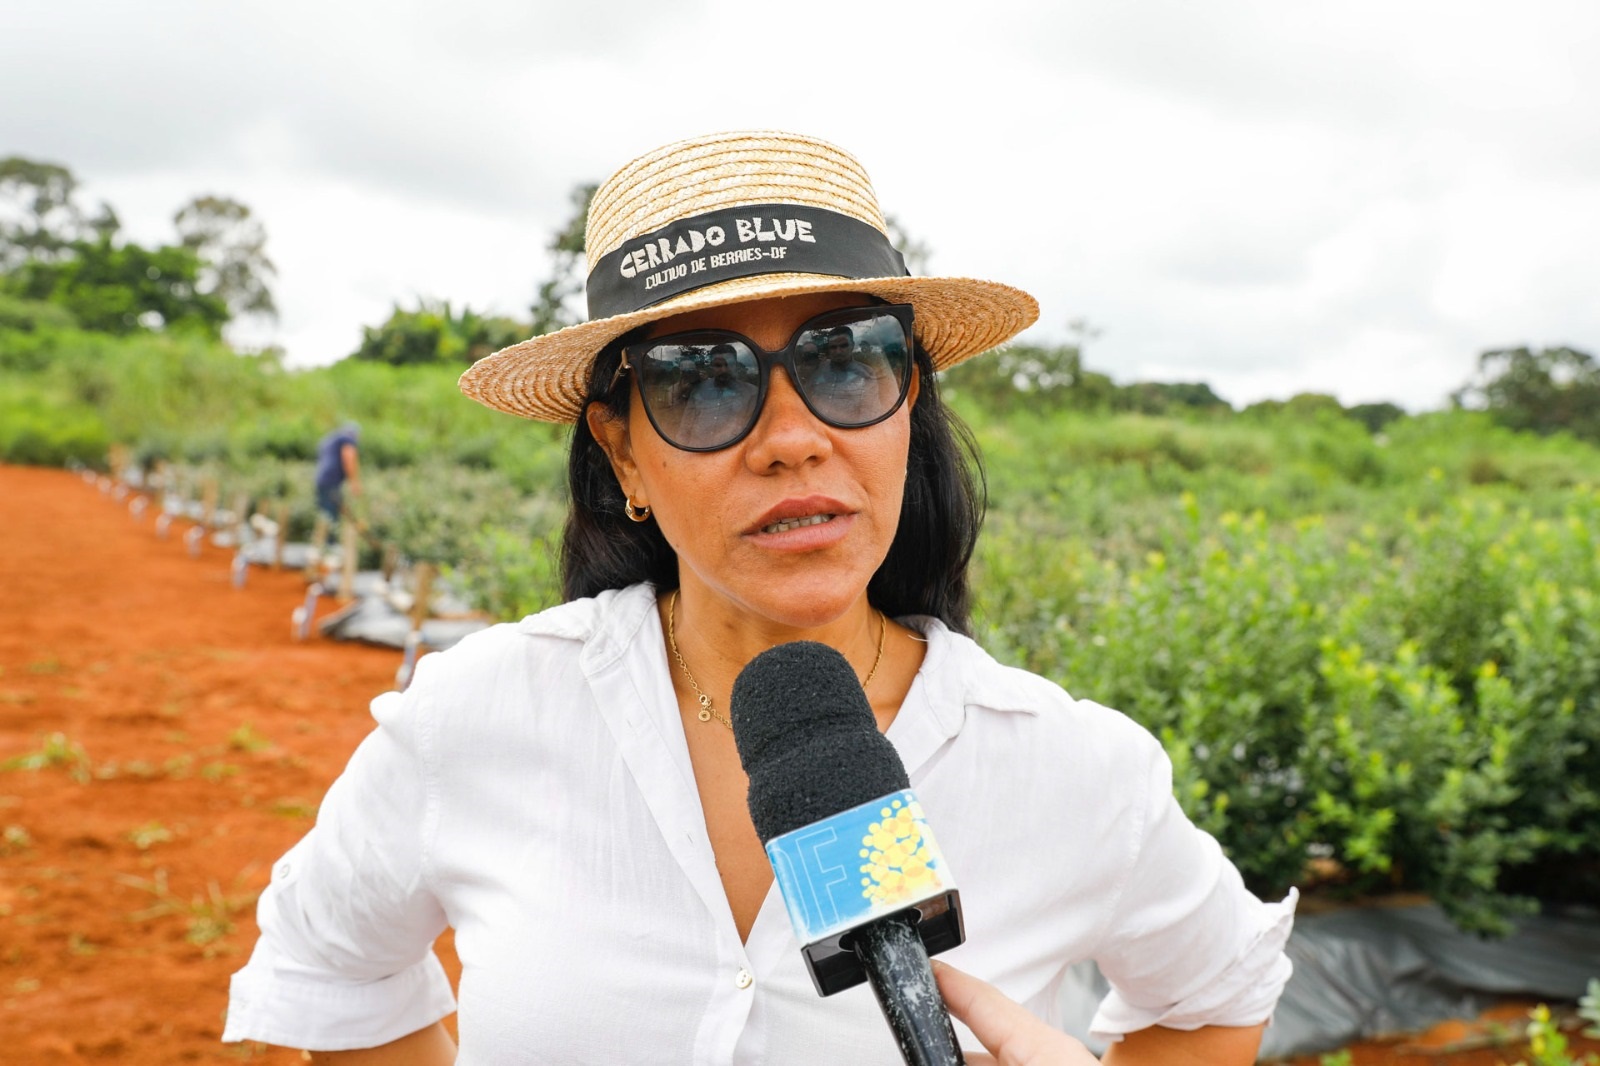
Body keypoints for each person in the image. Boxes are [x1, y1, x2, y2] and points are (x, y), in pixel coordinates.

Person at [223, 130, 1295, 1064]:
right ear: (623, 451)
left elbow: (1216, 993)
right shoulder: (479, 715)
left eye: (846, 362)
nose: (792, 440)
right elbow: (333, 964)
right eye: (702, 380)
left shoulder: (1068, 768)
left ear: (908, 406)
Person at [313, 421, 362, 532]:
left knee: (324, 511)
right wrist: (354, 482)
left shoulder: (330, 439)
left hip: (321, 479)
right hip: (331, 480)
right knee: (331, 513)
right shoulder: (347, 439)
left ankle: (323, 539)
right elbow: (349, 457)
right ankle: (330, 540)